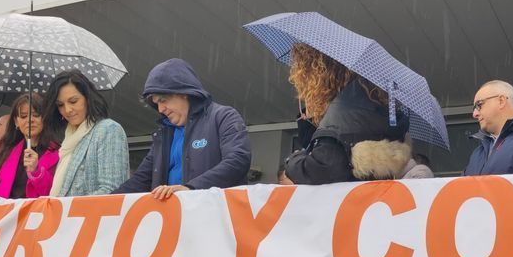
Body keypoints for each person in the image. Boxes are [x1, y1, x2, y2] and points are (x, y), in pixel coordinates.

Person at [114, 58, 251, 199]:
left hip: (214, 215)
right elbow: (141, 179)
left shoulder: (223, 117)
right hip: (172, 217)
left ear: (184, 93)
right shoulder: (164, 134)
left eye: (163, 100)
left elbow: (238, 161)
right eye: (156, 103)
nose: (160, 109)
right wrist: (99, 203)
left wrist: (190, 188)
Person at [282, 44, 411, 185]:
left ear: (319, 76)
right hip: (372, 202)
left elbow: (324, 168)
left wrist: (294, 160)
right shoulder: (374, 109)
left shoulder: (342, 113)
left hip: (345, 204)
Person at [44, 70, 129, 197]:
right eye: (60, 105)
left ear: (88, 98)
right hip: (64, 214)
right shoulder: (69, 138)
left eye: (73, 101)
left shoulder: (108, 129)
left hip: (92, 215)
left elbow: (112, 189)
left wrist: (71, 209)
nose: (67, 110)